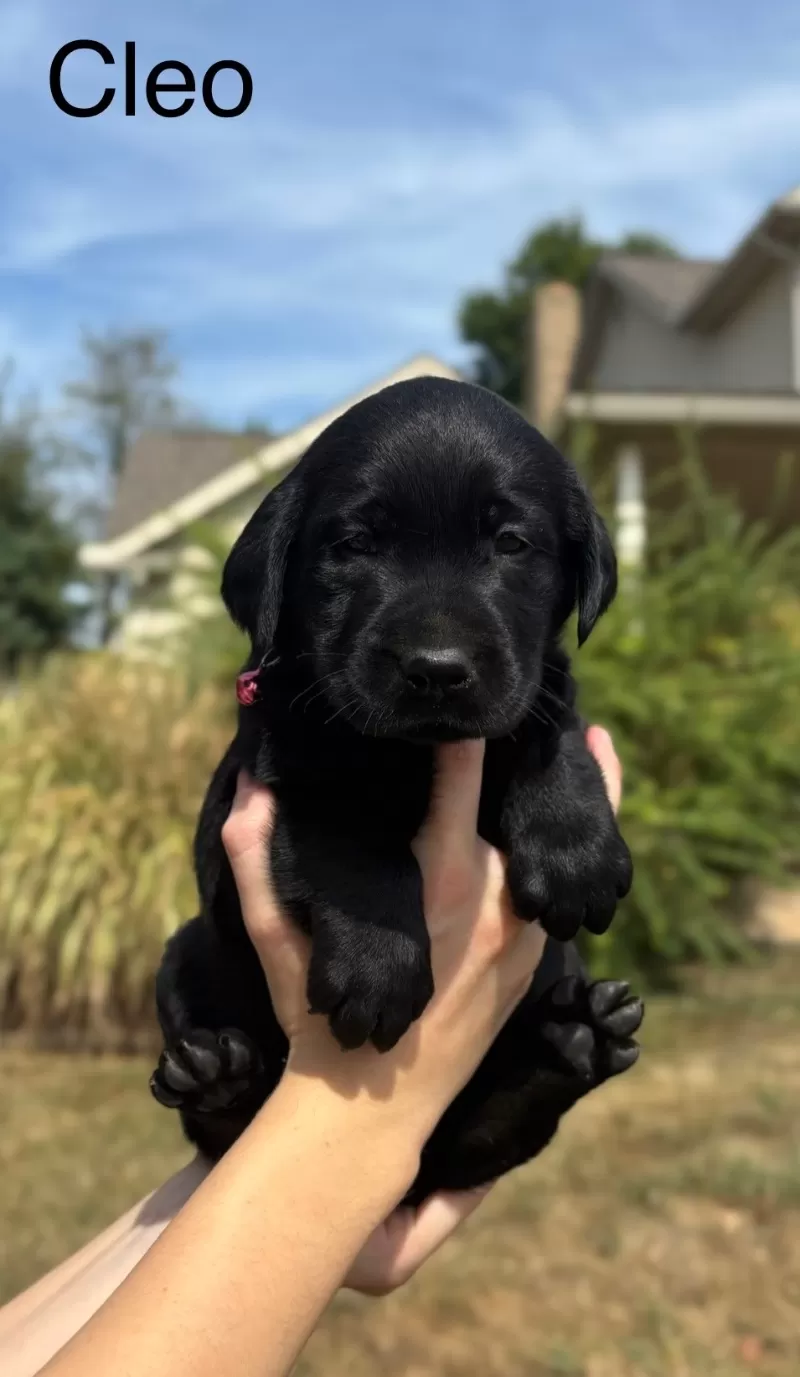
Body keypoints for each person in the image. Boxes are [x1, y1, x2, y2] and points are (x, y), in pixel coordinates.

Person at [0, 727, 623, 1377]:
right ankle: (242, 1110)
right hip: (286, 1057)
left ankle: (523, 1074)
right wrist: (341, 1142)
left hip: (366, 1103)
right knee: (191, 970)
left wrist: (283, 1176)